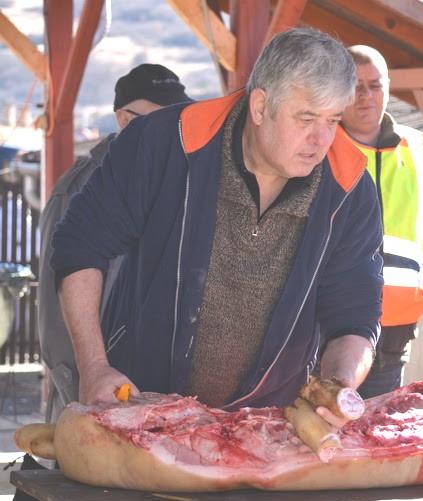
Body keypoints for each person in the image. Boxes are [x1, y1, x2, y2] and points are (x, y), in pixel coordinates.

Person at [50, 28, 382, 419]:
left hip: (266, 425)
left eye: (333, 120)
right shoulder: (162, 143)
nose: (321, 139)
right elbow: (80, 246)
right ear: (260, 106)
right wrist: (94, 367)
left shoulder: (351, 189)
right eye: (306, 117)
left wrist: (338, 391)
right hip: (138, 406)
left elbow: (355, 318)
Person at [38, 64, 192, 423]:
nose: (173, 127)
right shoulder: (79, 187)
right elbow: (55, 290)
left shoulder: (165, 176)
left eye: (179, 116)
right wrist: (81, 375)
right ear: (124, 119)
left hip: (144, 386)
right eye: (161, 116)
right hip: (96, 389)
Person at [339, 45, 423, 399]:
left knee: (379, 442)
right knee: (321, 442)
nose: (366, 97)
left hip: (393, 336)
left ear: (388, 87)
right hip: (324, 336)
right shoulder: (319, 148)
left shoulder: (422, 152)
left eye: (375, 85)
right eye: (355, 86)